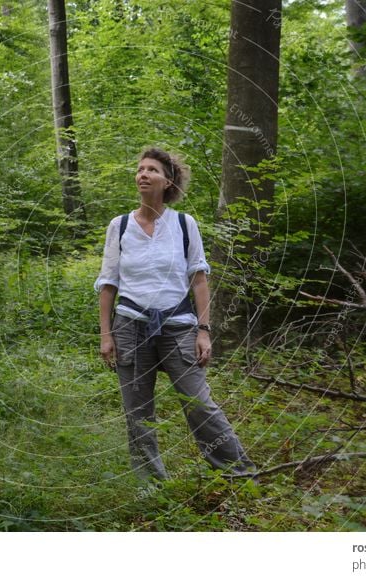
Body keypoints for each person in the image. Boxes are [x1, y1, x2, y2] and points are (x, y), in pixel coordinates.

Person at [94, 147, 257, 482]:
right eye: (139, 169)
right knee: (137, 413)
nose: (142, 174)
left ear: (168, 180)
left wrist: (203, 330)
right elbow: (108, 283)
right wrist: (106, 334)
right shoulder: (120, 225)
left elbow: (198, 279)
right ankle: (152, 486)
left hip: (178, 327)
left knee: (200, 405)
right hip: (130, 328)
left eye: (151, 169)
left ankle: (240, 476)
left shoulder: (185, 224)